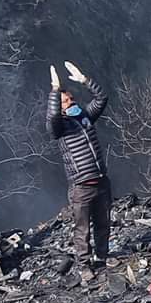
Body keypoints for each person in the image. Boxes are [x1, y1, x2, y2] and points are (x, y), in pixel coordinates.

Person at [46, 61, 112, 274]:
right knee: (82, 230)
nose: (70, 102)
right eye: (66, 101)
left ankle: (102, 258)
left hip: (101, 180)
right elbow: (52, 118)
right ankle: (84, 267)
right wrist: (55, 90)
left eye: (71, 98)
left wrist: (85, 80)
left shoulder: (84, 117)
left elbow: (102, 98)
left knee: (103, 223)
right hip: (80, 187)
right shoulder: (60, 128)